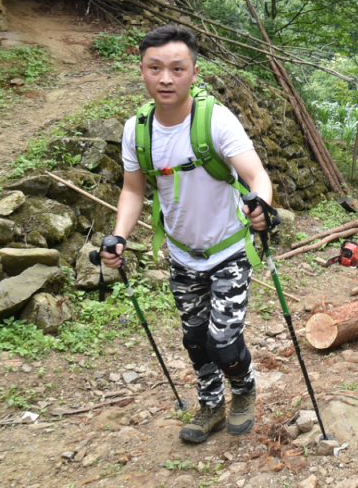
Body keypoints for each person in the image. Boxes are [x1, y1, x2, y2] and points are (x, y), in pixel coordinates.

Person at [100, 24, 274, 444]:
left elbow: (256, 176)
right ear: (142, 70)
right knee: (195, 340)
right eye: (155, 68)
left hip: (229, 250)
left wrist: (261, 207)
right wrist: (119, 236)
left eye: (177, 69)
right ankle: (211, 404)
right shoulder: (137, 130)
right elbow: (132, 190)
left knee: (223, 341)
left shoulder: (216, 121)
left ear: (194, 73)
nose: (166, 78)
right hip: (182, 255)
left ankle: (243, 389)